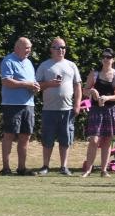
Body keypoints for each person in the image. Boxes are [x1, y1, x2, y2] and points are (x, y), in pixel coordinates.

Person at [35, 37, 82, 175]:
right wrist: (49, 83)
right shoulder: (45, 65)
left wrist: (77, 104)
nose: (61, 50)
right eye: (58, 47)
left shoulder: (71, 65)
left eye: (63, 47)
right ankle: (45, 166)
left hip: (67, 109)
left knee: (66, 139)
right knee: (47, 139)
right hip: (49, 109)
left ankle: (64, 167)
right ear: (51, 50)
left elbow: (78, 86)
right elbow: (36, 86)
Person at [79, 49, 115, 177]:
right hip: (96, 110)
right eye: (104, 56)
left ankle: (104, 170)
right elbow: (85, 90)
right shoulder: (94, 73)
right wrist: (92, 92)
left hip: (110, 110)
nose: (106, 59)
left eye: (109, 57)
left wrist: (107, 98)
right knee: (94, 140)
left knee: (107, 140)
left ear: (113, 59)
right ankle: (88, 169)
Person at [0, 37, 38, 175]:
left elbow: (31, 81)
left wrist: (35, 87)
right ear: (17, 48)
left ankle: (22, 167)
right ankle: (6, 167)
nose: (29, 50)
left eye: (30, 48)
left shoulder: (29, 63)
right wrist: (26, 84)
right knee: (9, 135)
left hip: (28, 104)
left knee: (25, 136)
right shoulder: (8, 61)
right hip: (12, 104)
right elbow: (6, 81)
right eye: (27, 48)